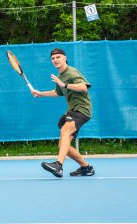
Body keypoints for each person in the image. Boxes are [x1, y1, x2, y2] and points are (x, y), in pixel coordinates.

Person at [31, 48, 95, 178]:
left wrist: (64, 84)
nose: (55, 60)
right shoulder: (60, 76)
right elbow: (57, 92)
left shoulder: (71, 72)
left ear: (65, 58)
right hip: (73, 109)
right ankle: (86, 168)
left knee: (65, 131)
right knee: (63, 146)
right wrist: (40, 93)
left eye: (58, 57)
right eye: (53, 58)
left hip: (82, 109)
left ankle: (58, 165)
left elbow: (83, 87)